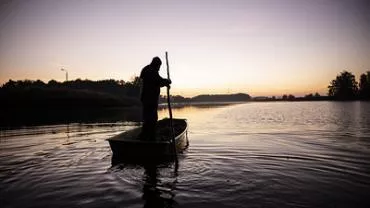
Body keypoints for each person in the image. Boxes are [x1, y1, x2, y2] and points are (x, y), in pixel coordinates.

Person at [139, 56, 171, 140]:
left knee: (147, 118)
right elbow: (158, 81)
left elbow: (158, 80)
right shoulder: (151, 71)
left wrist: (166, 82)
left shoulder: (148, 69)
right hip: (150, 99)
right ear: (156, 64)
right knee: (152, 119)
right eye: (159, 66)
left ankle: (145, 135)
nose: (159, 68)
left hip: (146, 99)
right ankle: (150, 137)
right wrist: (166, 82)